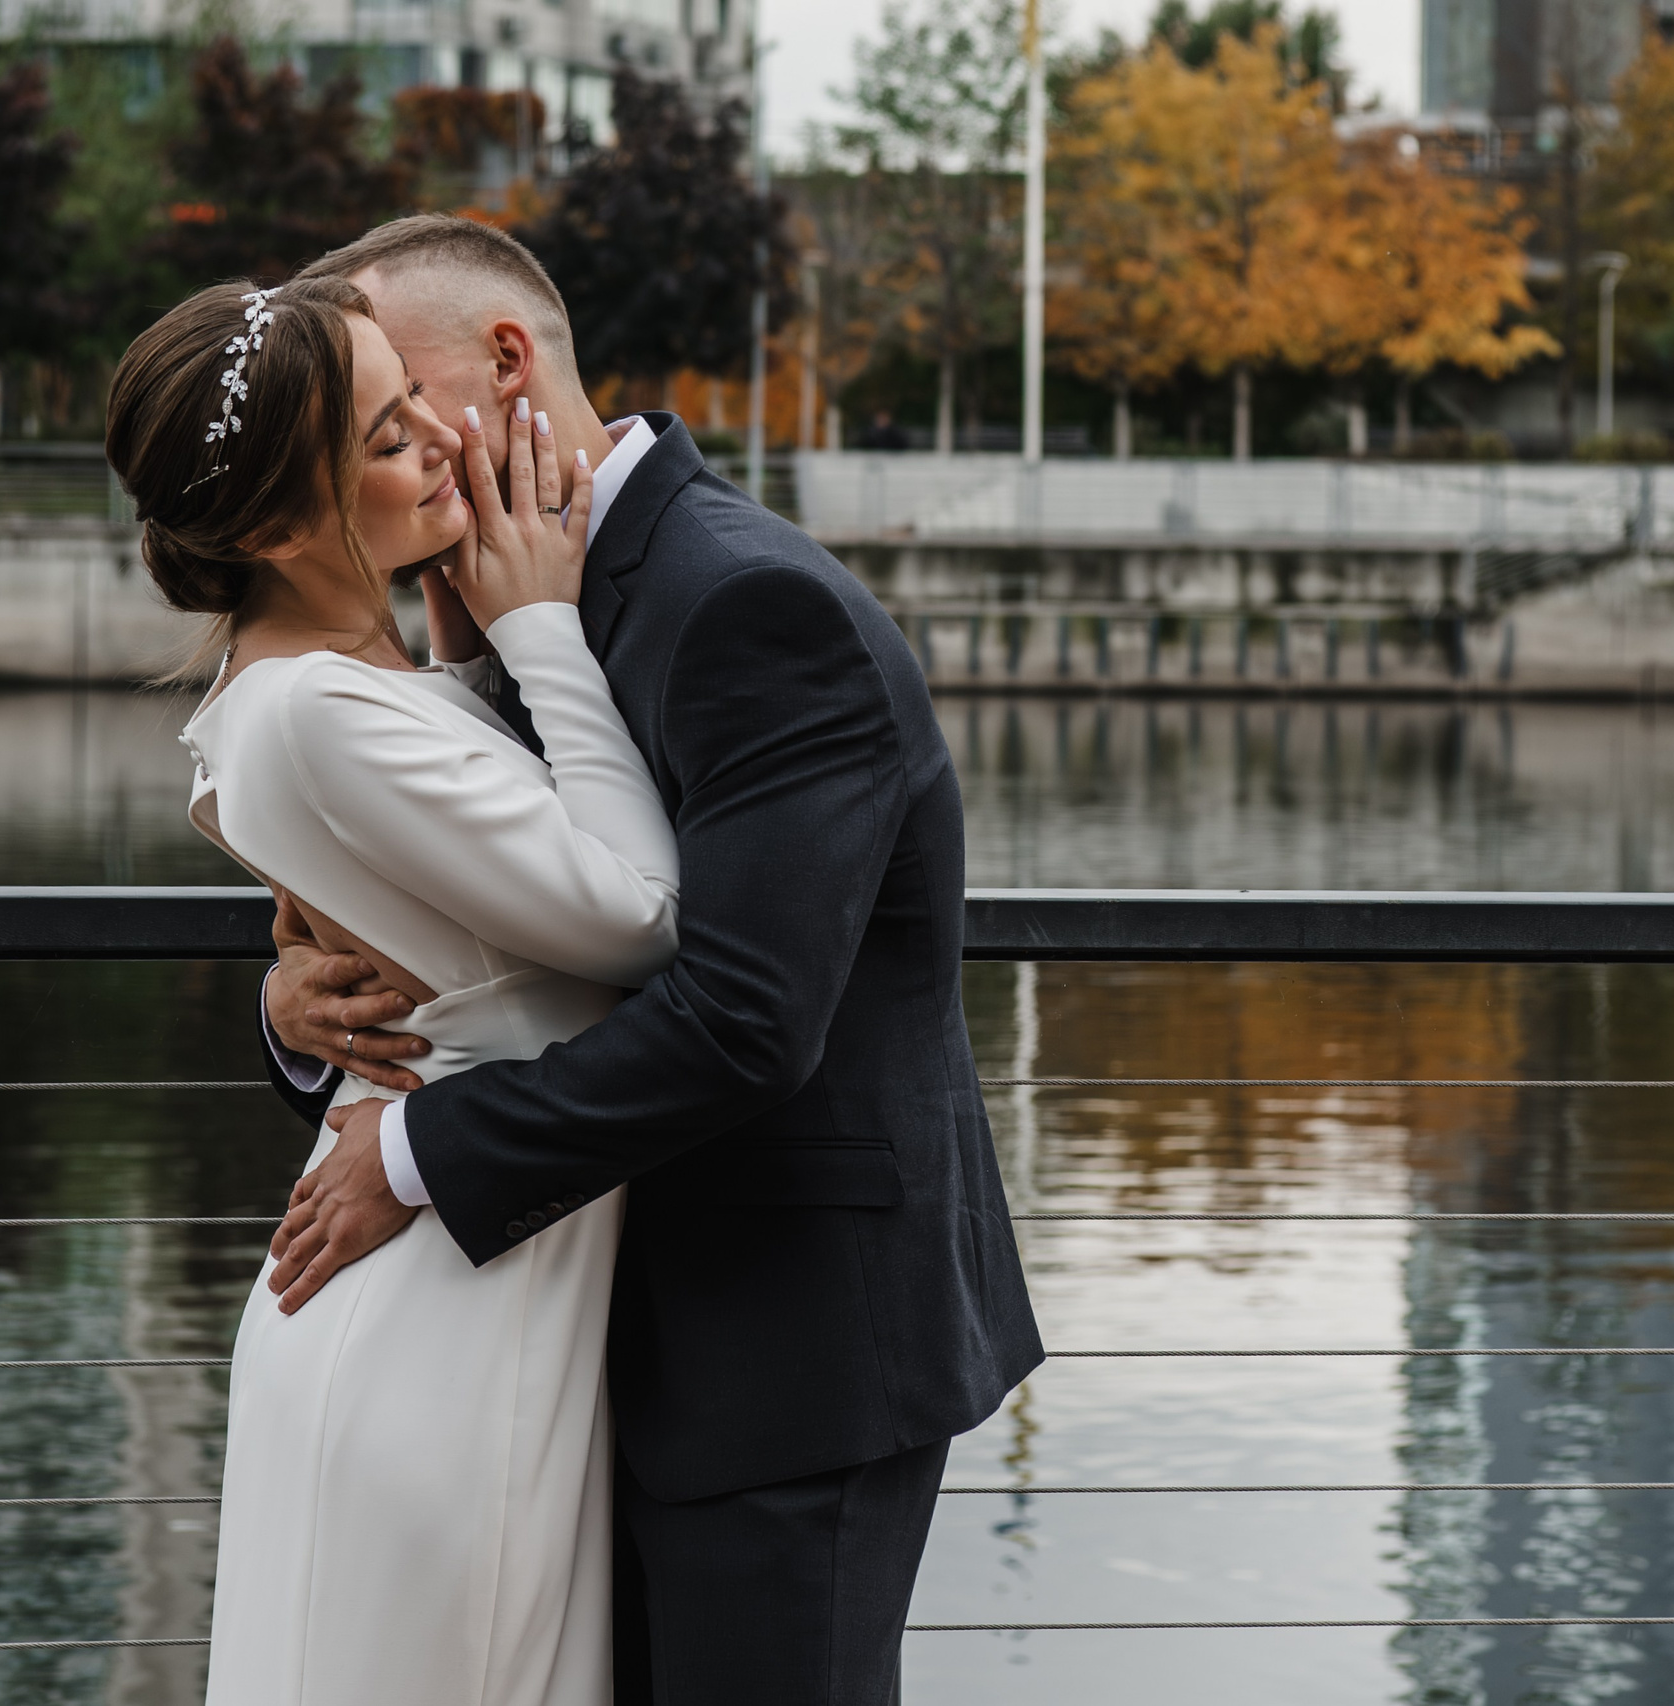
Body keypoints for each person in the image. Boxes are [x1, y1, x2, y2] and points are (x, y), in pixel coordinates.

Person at [253, 217, 1042, 1703]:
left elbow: (747, 1015)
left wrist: (413, 1151)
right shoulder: (491, 595)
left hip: (779, 1345)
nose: (381, 453)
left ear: (506, 361)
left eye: (398, 402)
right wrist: (303, 1008)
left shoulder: (745, 599)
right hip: (574, 1334)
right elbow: (481, 923)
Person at [110, 274, 676, 1704]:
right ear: (271, 530)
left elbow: (436, 897)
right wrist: (543, 624)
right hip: (440, 1322)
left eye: (413, 394)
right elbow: (641, 918)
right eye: (383, 435)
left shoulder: (334, 684)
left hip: (472, 1273)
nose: (438, 436)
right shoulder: (314, 707)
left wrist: (472, 635)